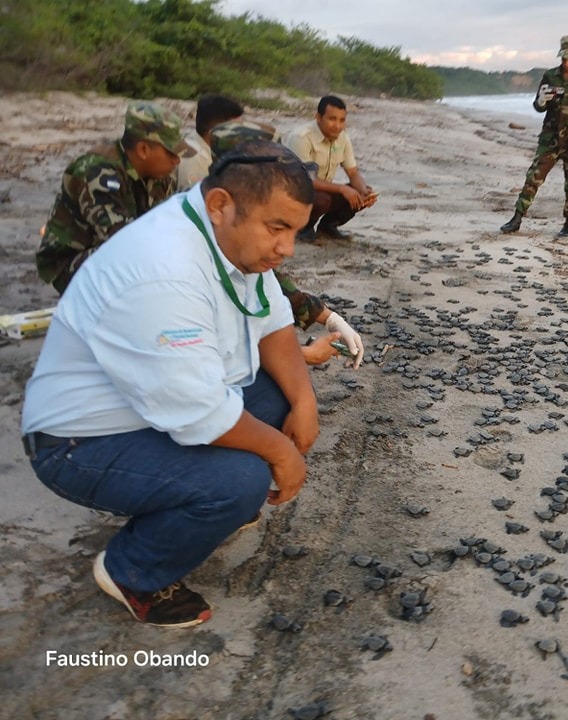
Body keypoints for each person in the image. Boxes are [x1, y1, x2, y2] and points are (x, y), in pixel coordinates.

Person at [21, 141, 319, 627]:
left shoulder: (227, 237)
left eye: (295, 231)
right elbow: (201, 413)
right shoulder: (164, 270)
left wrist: (305, 401)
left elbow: (273, 323)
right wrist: (282, 455)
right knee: (241, 482)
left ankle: (196, 504)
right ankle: (132, 571)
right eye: (277, 228)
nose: (286, 248)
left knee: (278, 393)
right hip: (76, 440)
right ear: (221, 205)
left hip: (146, 405)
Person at [208, 121, 365, 367]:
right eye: (277, 228)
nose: (287, 249)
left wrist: (330, 318)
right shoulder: (188, 255)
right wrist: (304, 354)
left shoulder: (241, 236)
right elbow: (218, 351)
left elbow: (272, 285)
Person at [36, 102, 186, 293]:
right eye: (170, 153)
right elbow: (120, 240)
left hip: (123, 249)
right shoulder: (97, 172)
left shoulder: (161, 175)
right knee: (137, 257)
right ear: (143, 150)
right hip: (71, 261)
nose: (177, 160)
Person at [500, 35, 568, 238]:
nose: (566, 63)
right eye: (563, 58)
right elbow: (538, 107)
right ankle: (517, 218)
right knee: (533, 177)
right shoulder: (550, 77)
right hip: (550, 138)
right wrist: (541, 101)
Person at [285, 95, 378, 241]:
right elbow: (307, 180)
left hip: (321, 190)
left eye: (342, 120)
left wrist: (363, 190)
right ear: (318, 117)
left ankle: (328, 227)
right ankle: (302, 229)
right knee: (323, 199)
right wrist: (342, 189)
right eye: (332, 119)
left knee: (358, 195)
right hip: (292, 194)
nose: (337, 126)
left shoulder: (343, 138)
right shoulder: (301, 137)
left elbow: (353, 172)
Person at [177, 94, 244, 189]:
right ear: (215, 131)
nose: (240, 134)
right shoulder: (197, 158)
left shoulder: (194, 139)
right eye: (235, 129)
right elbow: (198, 199)